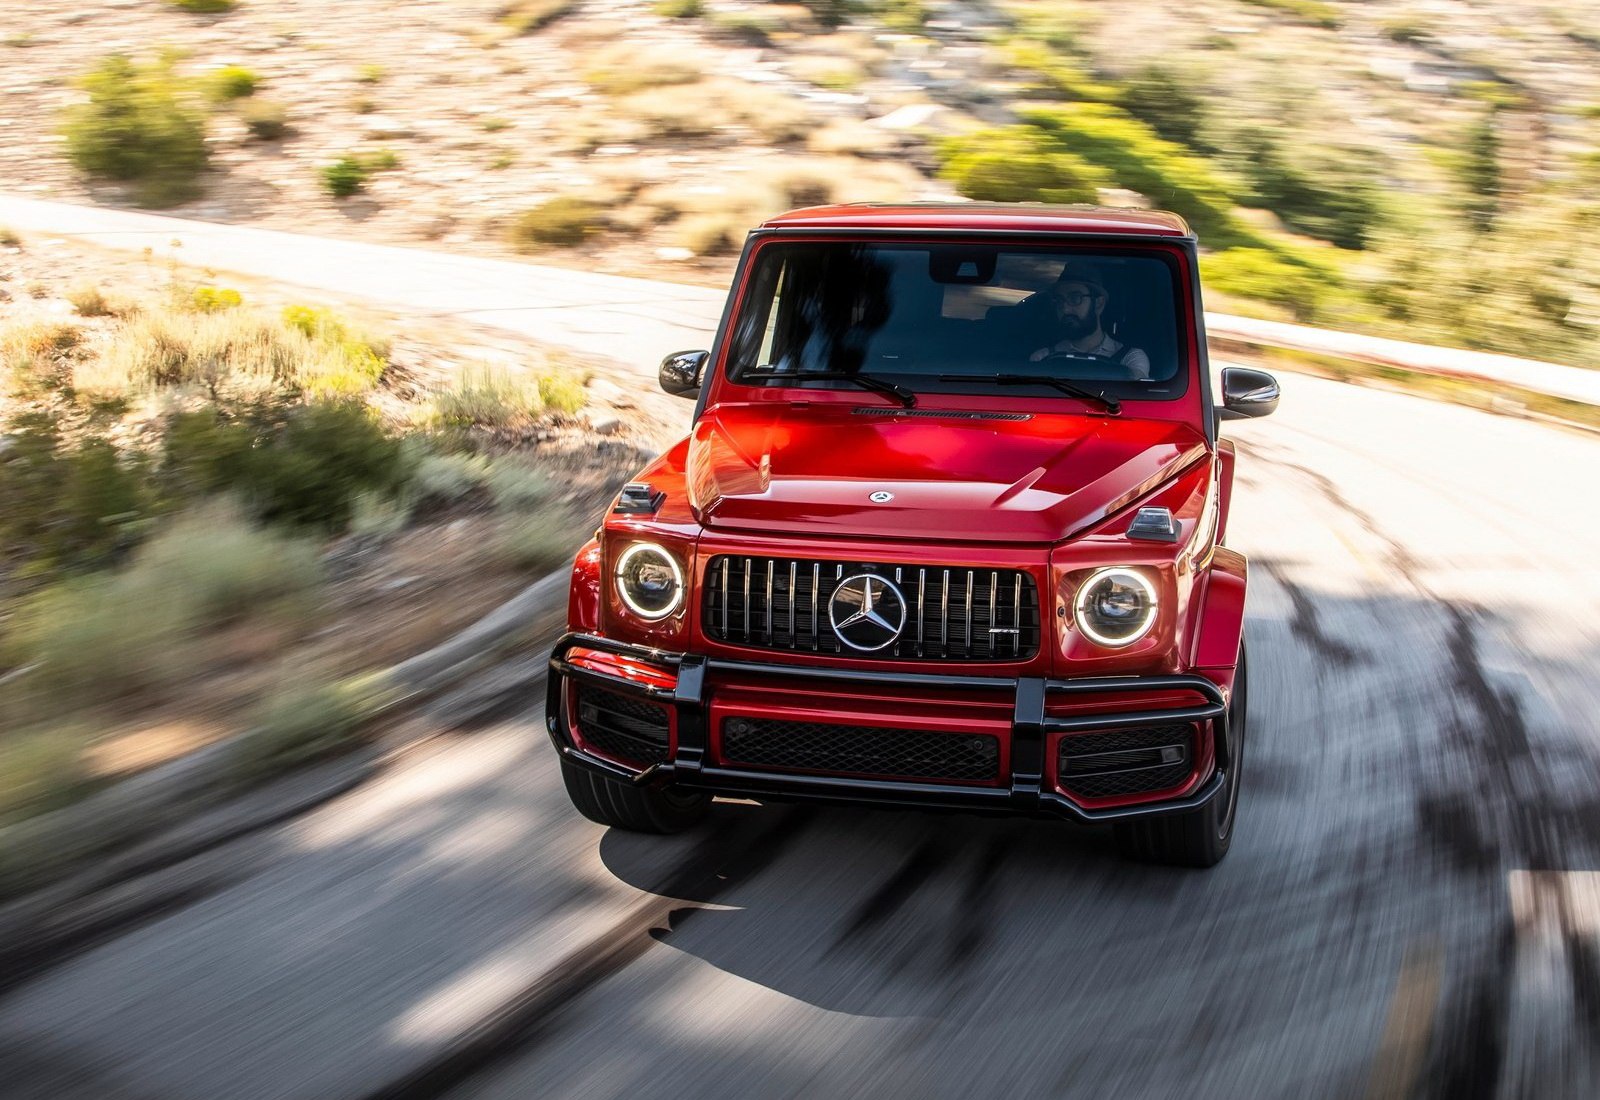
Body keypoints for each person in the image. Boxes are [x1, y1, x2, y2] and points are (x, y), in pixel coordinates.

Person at [1026, 260, 1150, 379]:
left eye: (1075, 298)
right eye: (1059, 300)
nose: (1065, 309)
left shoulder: (1129, 358)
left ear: (1098, 304)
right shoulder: (1042, 358)